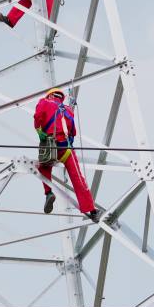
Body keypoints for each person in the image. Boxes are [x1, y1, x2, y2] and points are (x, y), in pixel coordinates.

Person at [34, 88, 100, 222]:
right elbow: (73, 131)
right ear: (61, 98)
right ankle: (92, 210)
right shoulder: (68, 110)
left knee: (43, 167)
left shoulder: (44, 102)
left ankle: (48, 193)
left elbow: (38, 117)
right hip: (66, 149)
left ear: (50, 95)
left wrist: (39, 130)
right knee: (78, 179)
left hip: (50, 146)